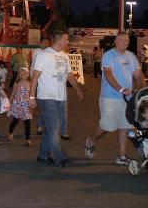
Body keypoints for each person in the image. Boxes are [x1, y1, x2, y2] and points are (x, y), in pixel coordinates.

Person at [85, 31, 144, 166]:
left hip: (127, 99)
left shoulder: (131, 56)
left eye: (127, 41)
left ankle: (121, 156)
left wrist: (143, 90)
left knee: (125, 126)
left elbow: (139, 75)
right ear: (116, 42)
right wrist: (120, 89)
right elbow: (108, 74)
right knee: (107, 126)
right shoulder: (109, 55)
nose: (124, 43)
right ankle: (91, 140)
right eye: (122, 40)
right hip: (110, 97)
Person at [29, 30, 83, 167]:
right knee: (54, 129)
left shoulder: (65, 56)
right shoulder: (43, 55)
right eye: (65, 39)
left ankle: (43, 155)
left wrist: (77, 89)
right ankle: (60, 157)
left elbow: (69, 75)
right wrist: (31, 97)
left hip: (61, 97)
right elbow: (34, 77)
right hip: (47, 97)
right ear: (58, 40)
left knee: (51, 127)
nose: (67, 42)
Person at [8, 67, 32, 146]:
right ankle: (10, 132)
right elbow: (12, 94)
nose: (22, 75)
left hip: (26, 105)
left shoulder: (30, 84)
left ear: (28, 74)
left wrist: (32, 104)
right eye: (20, 73)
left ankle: (28, 139)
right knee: (15, 121)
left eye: (24, 73)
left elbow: (32, 95)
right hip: (17, 104)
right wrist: (9, 103)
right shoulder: (16, 84)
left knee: (27, 122)